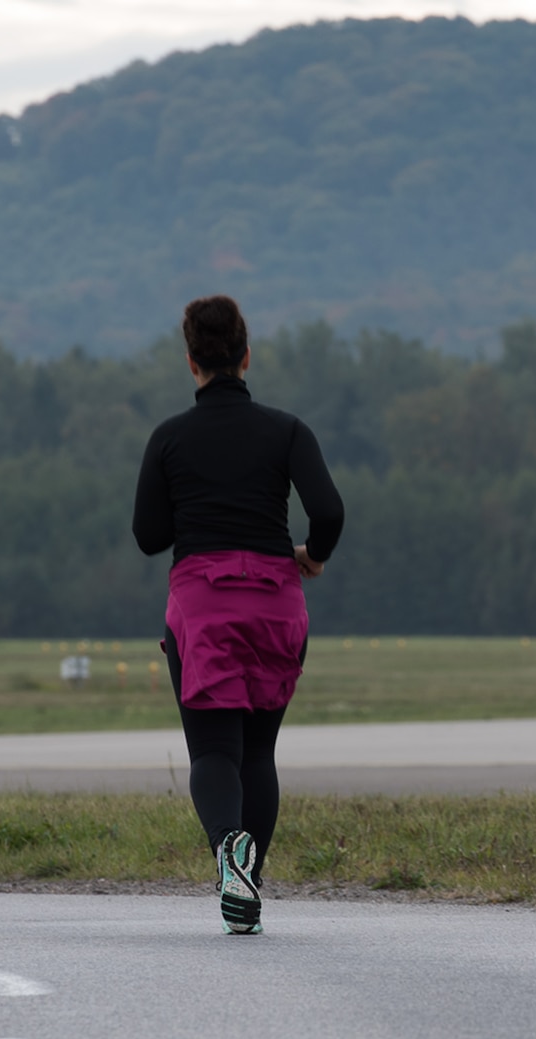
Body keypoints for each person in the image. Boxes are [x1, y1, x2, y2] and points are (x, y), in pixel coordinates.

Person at [132, 295, 344, 935]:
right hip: (277, 602)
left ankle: (230, 850)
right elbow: (329, 511)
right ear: (246, 357)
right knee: (258, 751)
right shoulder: (286, 431)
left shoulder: (169, 437)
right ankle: (248, 881)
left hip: (203, 605)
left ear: (191, 361)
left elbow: (148, 534)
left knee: (212, 752)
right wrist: (312, 556)